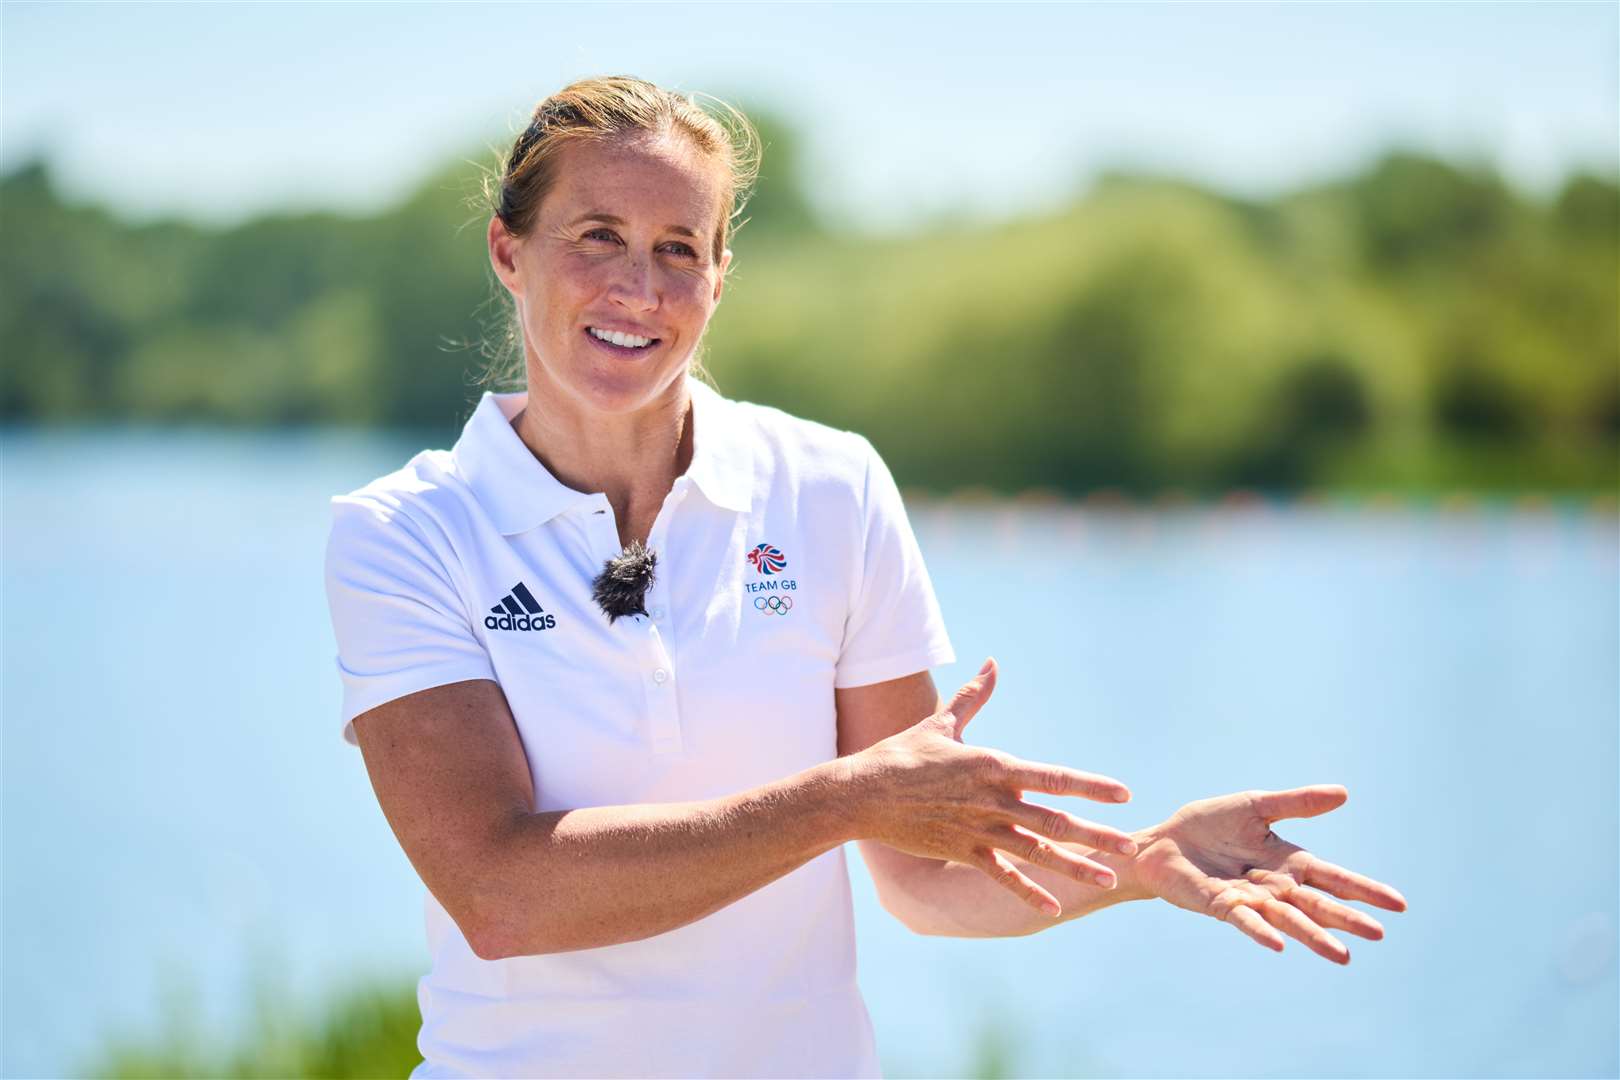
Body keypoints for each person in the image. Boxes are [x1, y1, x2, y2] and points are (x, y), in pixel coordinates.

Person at [323, 75, 1407, 1079]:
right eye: (596, 237)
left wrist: (1138, 862)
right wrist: (841, 800)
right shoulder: (404, 534)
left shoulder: (829, 486)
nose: (637, 288)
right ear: (509, 252)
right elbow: (502, 894)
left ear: (720, 275)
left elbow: (922, 874)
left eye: (678, 249)